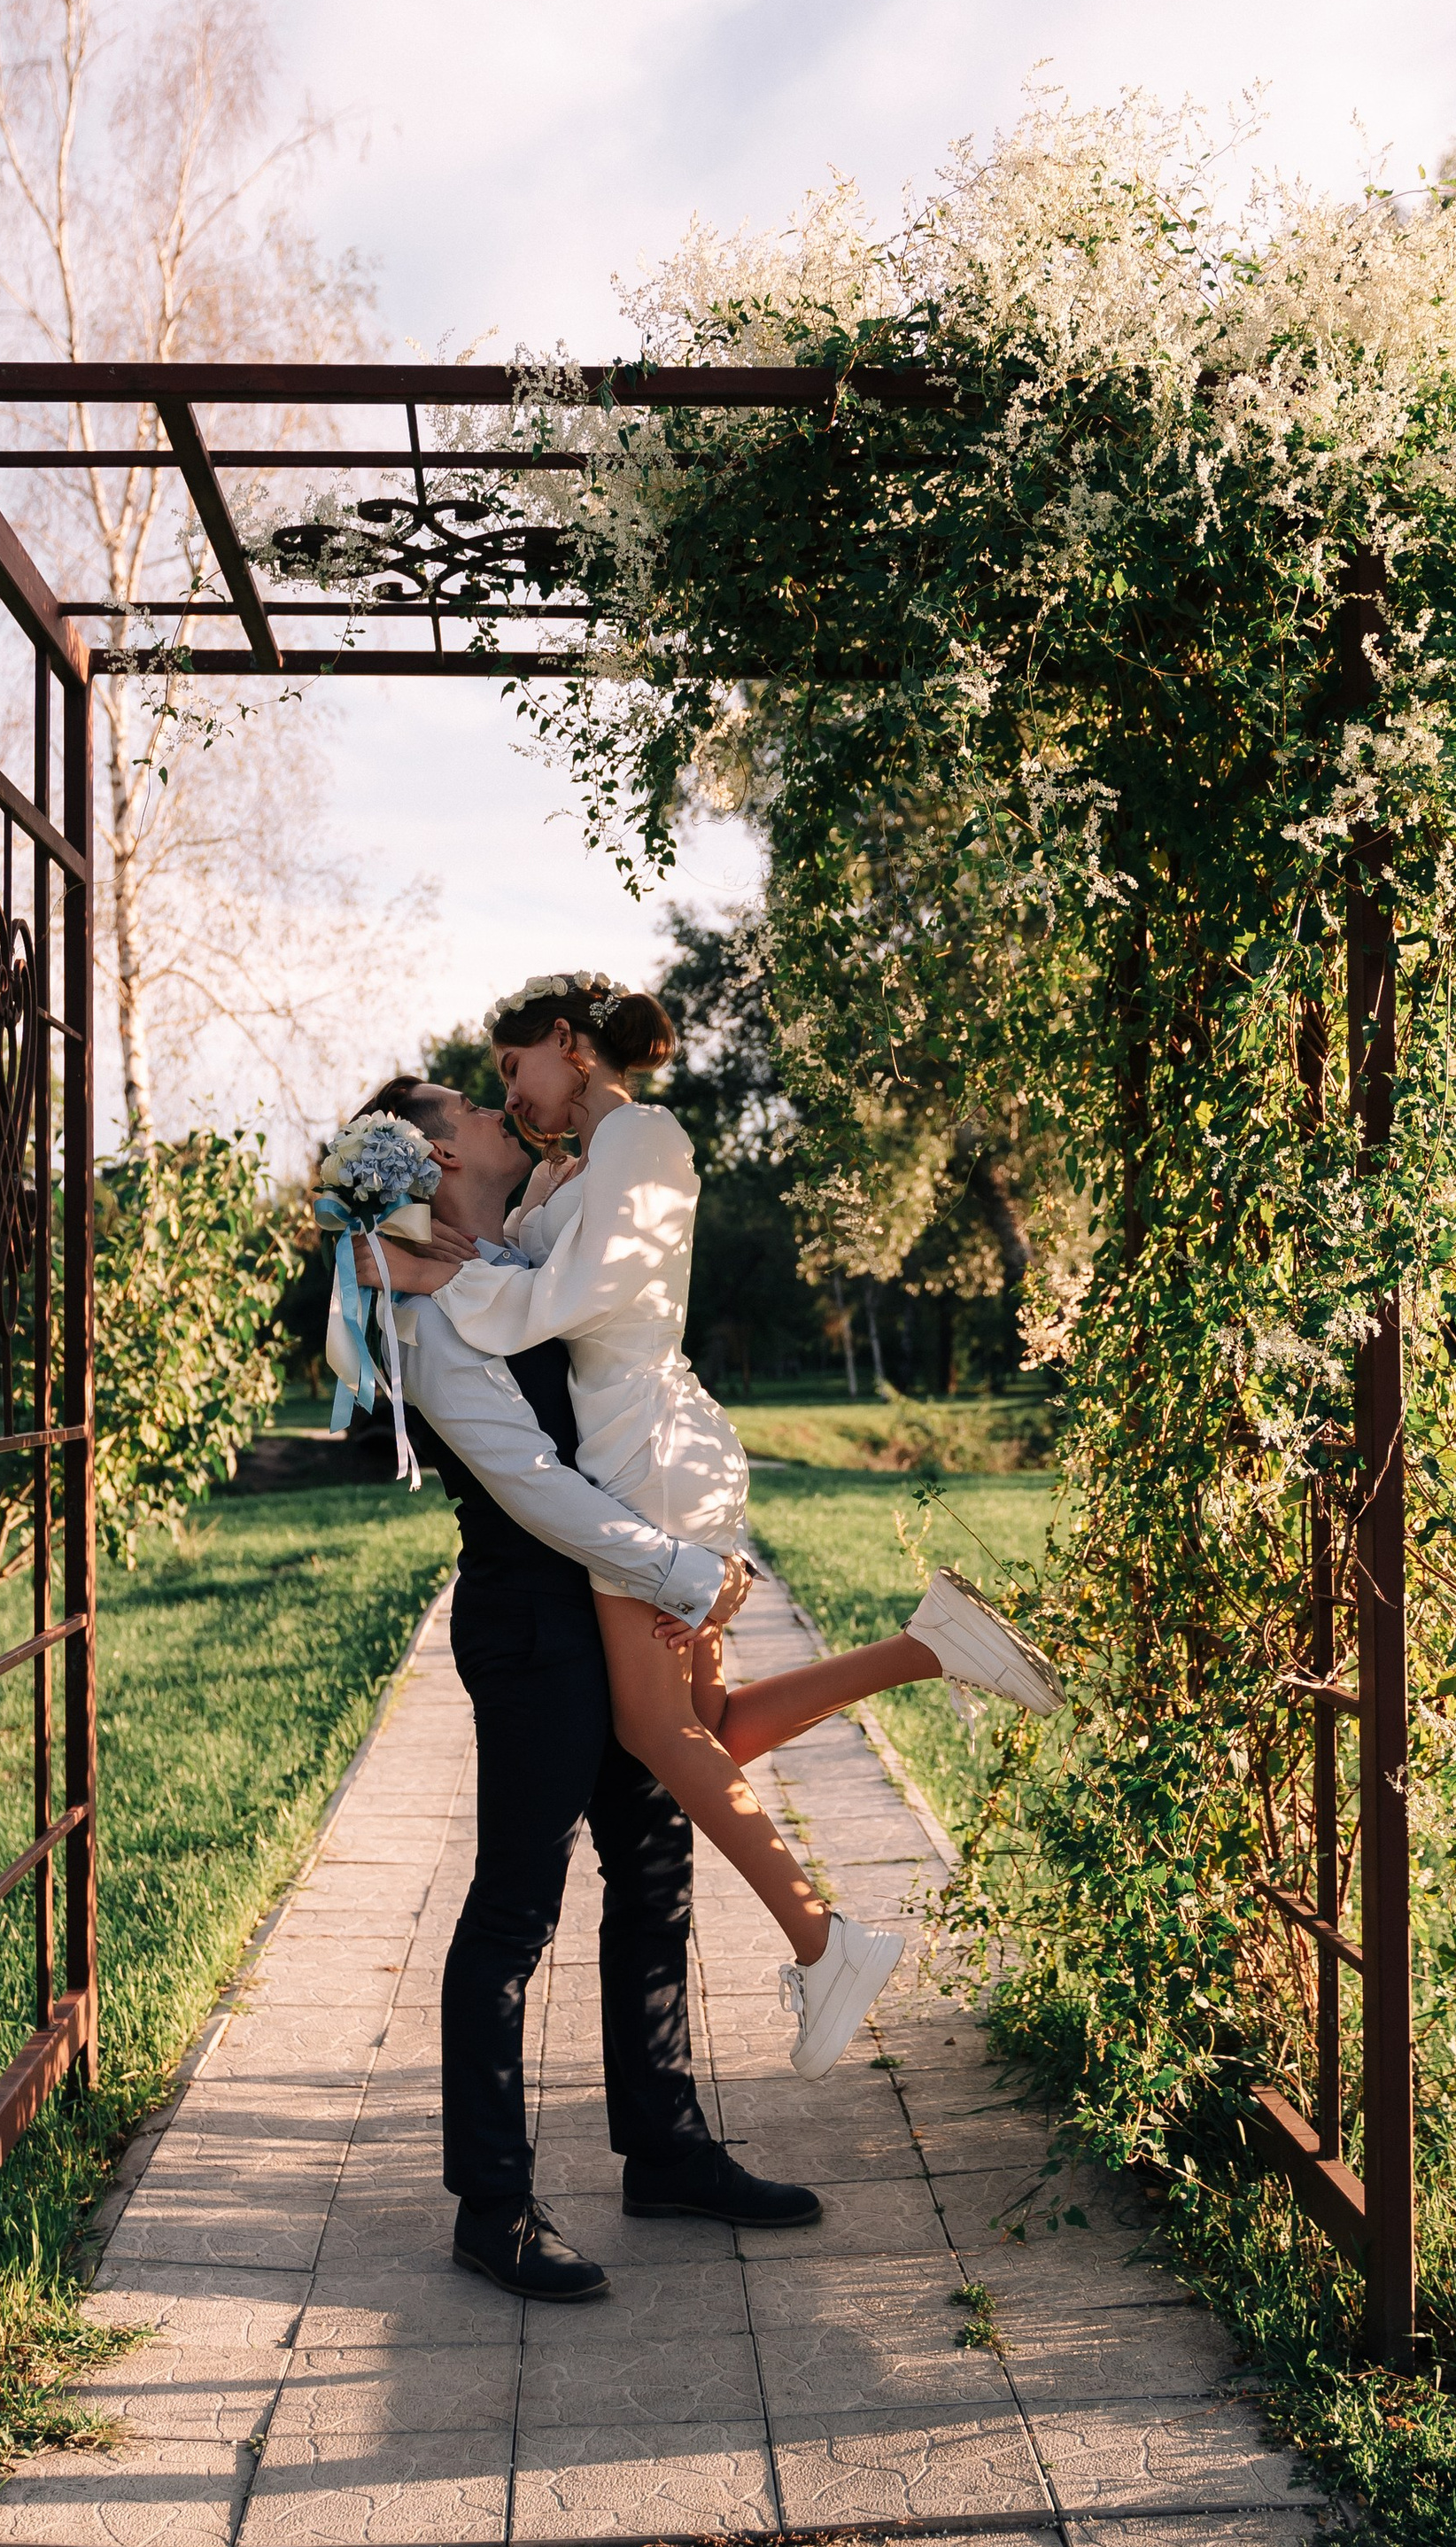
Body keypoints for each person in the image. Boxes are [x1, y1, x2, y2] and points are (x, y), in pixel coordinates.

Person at [382, 977, 1064, 2089]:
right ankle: (929, 1647)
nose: (506, 1098)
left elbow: (567, 1295)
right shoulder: (578, 1164)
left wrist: (429, 1285)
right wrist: (388, 1255)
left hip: (642, 1456)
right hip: (642, 1448)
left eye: (511, 1069)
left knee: (662, 1740)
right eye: (487, 1090)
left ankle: (825, 1942)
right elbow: (512, 1251)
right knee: (706, 1728)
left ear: (566, 1042)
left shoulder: (643, 1136)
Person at [355, 1071, 825, 2305]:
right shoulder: (430, 1313)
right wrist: (674, 1567)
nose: (496, 1108)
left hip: (603, 1609)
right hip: (535, 1625)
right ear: (434, 1156)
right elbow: (532, 1486)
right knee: (517, 1905)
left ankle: (665, 2147)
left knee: (654, 1867)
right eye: (471, 1105)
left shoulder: (491, 1254)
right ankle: (492, 2204)